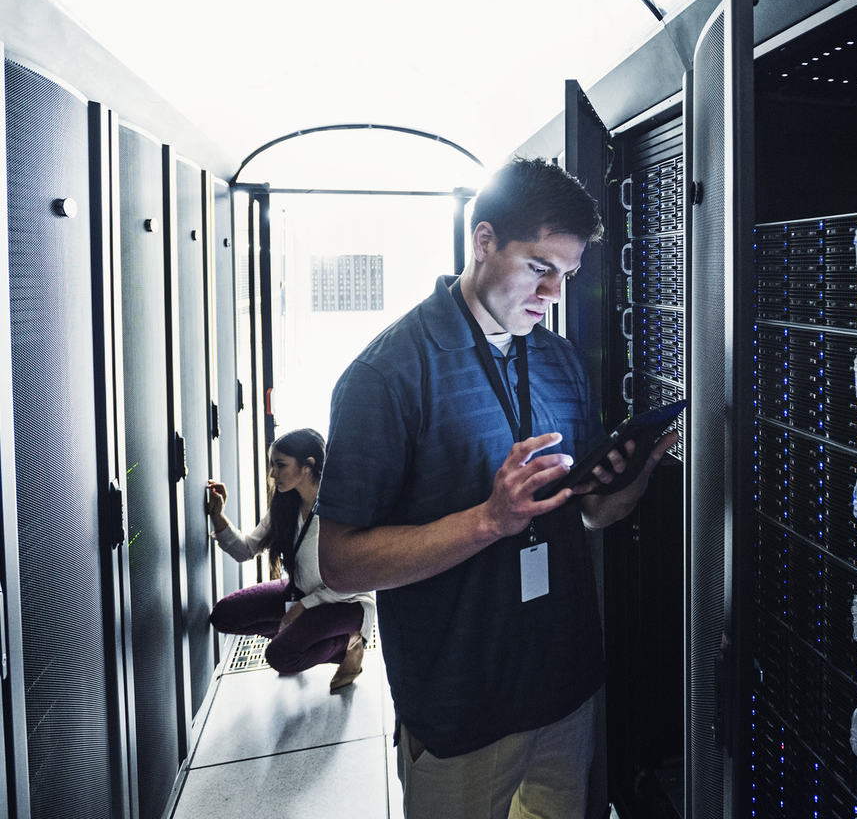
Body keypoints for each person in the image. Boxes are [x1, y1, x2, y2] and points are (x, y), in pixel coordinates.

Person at [316, 157, 678, 818]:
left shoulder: (560, 360)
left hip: (565, 688)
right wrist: (487, 520)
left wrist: (635, 471)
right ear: (483, 242)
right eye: (541, 268)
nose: (554, 293)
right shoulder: (386, 374)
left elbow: (593, 516)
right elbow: (339, 564)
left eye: (567, 276)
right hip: (462, 707)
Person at [206, 427, 376, 692]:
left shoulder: (341, 508)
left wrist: (303, 607)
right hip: (300, 592)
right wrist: (218, 515)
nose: (273, 474)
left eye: (280, 465)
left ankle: (349, 646)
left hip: (346, 602)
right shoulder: (285, 506)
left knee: (281, 657)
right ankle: (301, 637)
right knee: (224, 616)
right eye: (272, 465)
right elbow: (245, 550)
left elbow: (354, 580)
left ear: (308, 466)